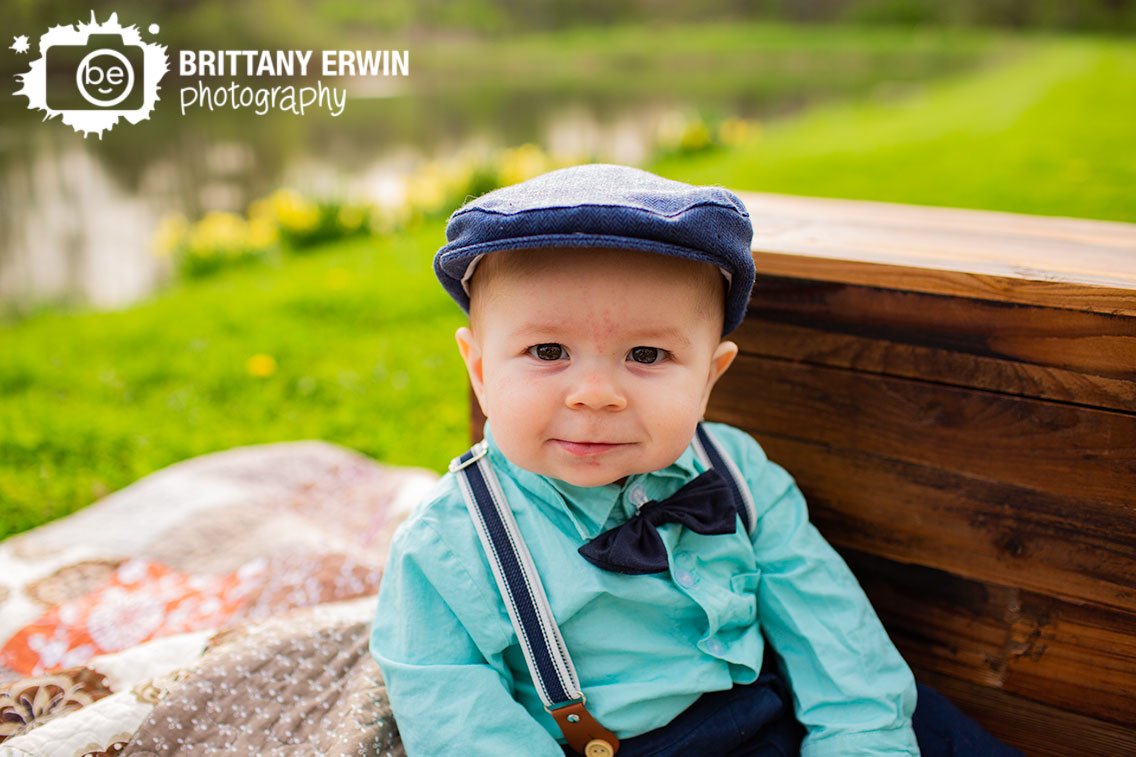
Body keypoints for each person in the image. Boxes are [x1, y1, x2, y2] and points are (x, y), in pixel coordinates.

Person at [370, 164, 1020, 756]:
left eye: (647, 355)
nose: (596, 394)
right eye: (547, 351)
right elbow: (460, 722)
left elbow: (833, 630)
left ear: (710, 376)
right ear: (480, 369)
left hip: (785, 708)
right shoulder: (446, 545)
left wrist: (859, 738)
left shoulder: (737, 470)